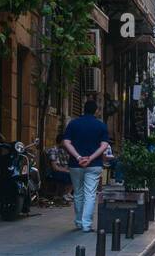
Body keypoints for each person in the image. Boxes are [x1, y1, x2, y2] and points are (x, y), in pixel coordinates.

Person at [62, 99, 111, 233]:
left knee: (78, 193)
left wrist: (78, 157)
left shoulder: (73, 124)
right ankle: (86, 224)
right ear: (96, 111)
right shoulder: (100, 126)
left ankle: (78, 221)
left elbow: (66, 142)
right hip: (94, 164)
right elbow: (104, 145)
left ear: (83, 109)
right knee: (90, 194)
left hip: (75, 164)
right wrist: (90, 158)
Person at [46, 133, 73, 202]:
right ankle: (64, 194)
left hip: (63, 170)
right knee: (69, 175)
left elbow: (68, 162)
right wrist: (66, 170)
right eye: (66, 141)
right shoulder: (53, 150)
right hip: (54, 172)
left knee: (77, 173)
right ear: (62, 141)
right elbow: (55, 167)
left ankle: (68, 193)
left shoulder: (64, 150)